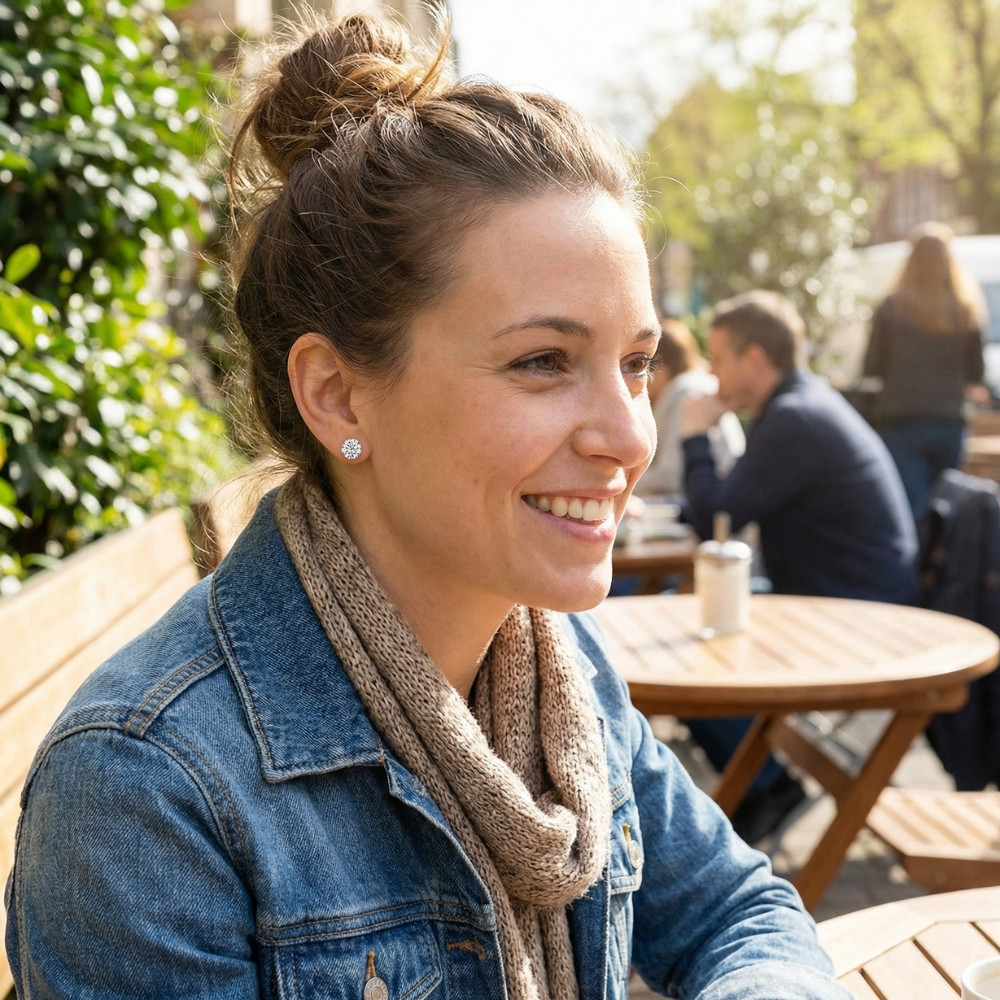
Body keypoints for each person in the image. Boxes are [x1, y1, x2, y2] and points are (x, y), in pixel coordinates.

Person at [5, 14, 854, 1000]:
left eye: (635, 363)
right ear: (337, 394)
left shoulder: (552, 670)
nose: (628, 435)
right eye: (543, 361)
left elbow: (734, 910)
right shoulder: (148, 789)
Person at [680, 289, 918, 845]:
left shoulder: (794, 418)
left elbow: (716, 517)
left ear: (755, 360)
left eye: (718, 359)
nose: (711, 373)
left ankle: (768, 785)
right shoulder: (799, 404)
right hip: (837, 593)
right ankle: (762, 781)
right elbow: (728, 507)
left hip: (856, 612)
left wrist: (694, 434)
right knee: (693, 619)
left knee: (695, 646)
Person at [862, 221, 987, 519]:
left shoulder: (891, 306)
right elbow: (976, 372)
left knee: (908, 512)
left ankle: (910, 566)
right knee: (946, 513)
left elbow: (872, 366)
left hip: (902, 421)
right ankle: (946, 567)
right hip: (948, 421)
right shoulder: (964, 308)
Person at [634, 317, 744, 499]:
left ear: (663, 368)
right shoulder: (693, 386)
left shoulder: (685, 393)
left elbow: (669, 477)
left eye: (640, 367)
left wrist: (617, 484)